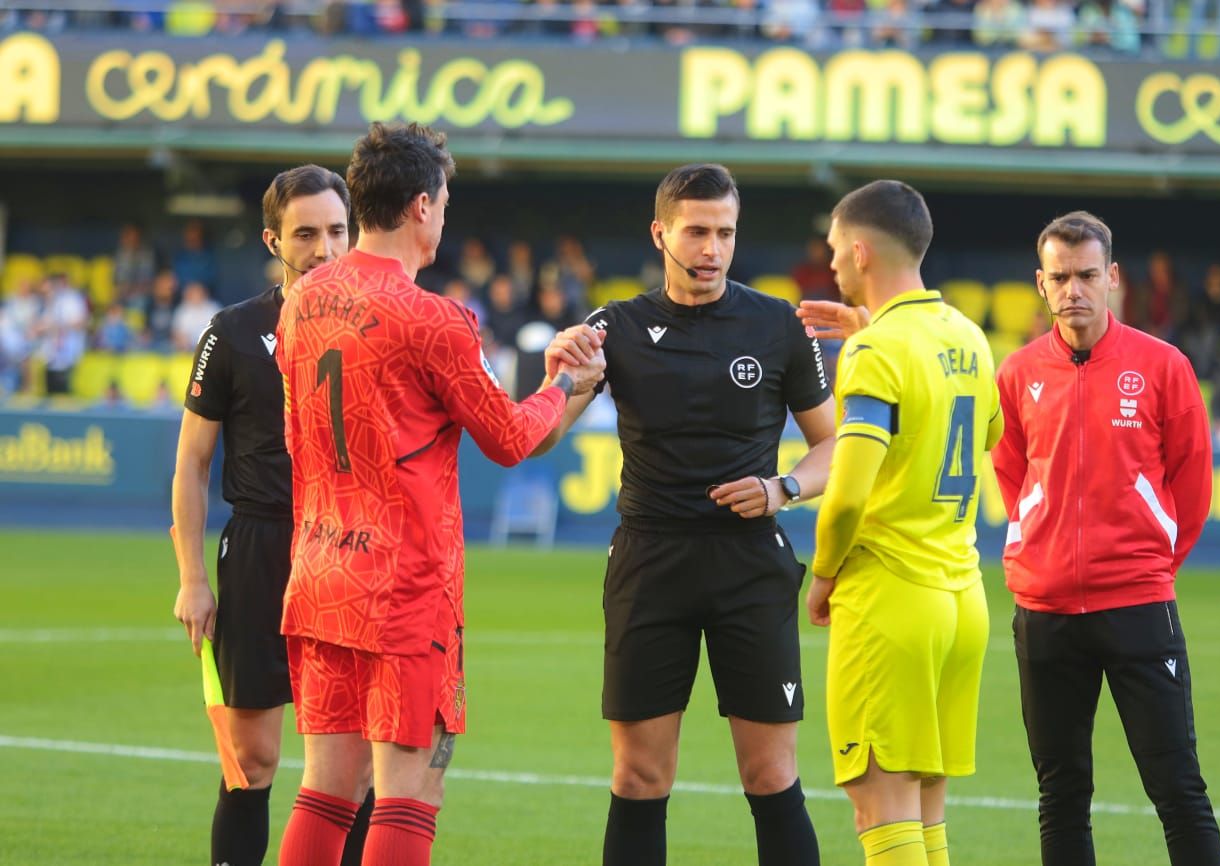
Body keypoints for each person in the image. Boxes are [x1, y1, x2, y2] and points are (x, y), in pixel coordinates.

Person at [274, 122, 603, 866]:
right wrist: (566, 385)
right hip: (404, 585)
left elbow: (295, 438)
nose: (446, 215)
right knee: (408, 793)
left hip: (322, 568)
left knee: (326, 789)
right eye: (446, 201)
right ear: (422, 205)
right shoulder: (435, 318)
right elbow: (512, 438)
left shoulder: (301, 301)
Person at [534, 163, 834, 866]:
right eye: (696, 231)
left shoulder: (776, 325)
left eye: (724, 232)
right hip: (650, 561)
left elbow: (834, 446)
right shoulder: (615, 328)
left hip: (750, 561)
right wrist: (554, 371)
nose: (711, 248)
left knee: (770, 775)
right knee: (639, 775)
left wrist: (784, 487)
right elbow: (537, 435)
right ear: (660, 232)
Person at [992, 211, 1220, 866]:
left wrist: (1147, 565)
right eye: (1060, 277)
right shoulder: (1017, 373)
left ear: (1112, 277)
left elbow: (1192, 484)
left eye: (1087, 275)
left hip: (1138, 607)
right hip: (1045, 612)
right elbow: (1014, 475)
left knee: (1178, 788)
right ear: (1041, 283)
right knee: (1061, 792)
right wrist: (1042, 549)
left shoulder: (1163, 366)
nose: (1074, 291)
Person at [171, 164, 371, 866]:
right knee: (250, 763)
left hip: (350, 549)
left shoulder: (385, 324)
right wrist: (192, 579)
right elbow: (192, 464)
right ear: (272, 239)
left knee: (358, 766)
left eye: (337, 231)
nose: (323, 248)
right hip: (261, 546)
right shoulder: (232, 332)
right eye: (306, 233)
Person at [799, 180, 1002, 866]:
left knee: (880, 810)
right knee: (923, 810)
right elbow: (987, 432)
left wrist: (822, 574)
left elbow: (849, 494)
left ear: (859, 251)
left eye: (833, 251)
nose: (830, 266)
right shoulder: (968, 336)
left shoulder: (875, 352)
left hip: (891, 597)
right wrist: (871, 333)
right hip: (960, 599)